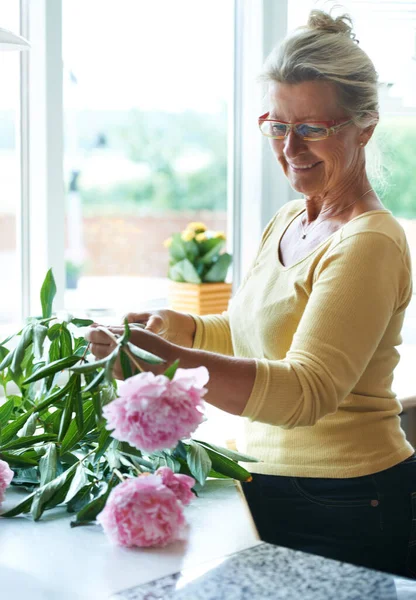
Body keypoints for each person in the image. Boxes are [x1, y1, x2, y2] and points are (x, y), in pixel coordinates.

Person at [86, 10, 416, 577]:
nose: (291, 147)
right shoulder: (290, 218)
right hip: (269, 482)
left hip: (346, 500)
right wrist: (176, 329)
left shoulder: (371, 243)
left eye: (313, 128)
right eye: (278, 125)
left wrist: (171, 364)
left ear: (365, 126)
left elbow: (305, 391)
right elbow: (250, 334)